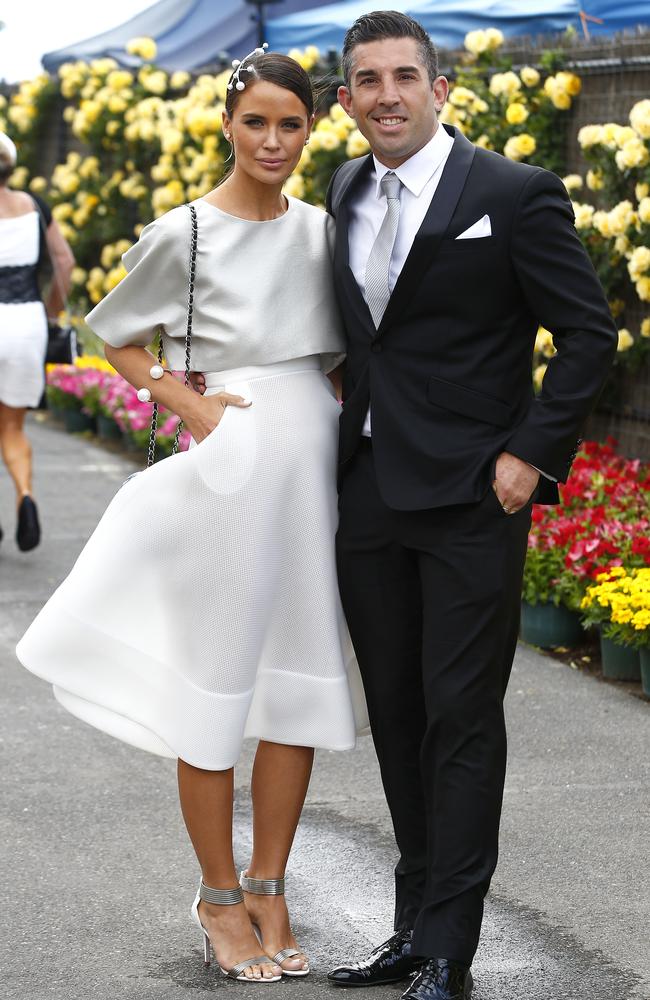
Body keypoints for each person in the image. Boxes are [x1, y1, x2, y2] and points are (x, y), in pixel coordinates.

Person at [16, 51, 366, 983]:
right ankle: (218, 900)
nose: (274, 141)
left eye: (291, 124)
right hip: (227, 473)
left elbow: (339, 355)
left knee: (297, 690)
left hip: (310, 476)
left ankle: (269, 886)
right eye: (257, 122)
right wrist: (198, 410)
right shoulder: (187, 233)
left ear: (311, 129)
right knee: (213, 691)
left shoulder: (324, 231)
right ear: (227, 123)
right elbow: (113, 334)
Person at [321, 12, 618, 1000]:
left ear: (440, 88)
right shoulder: (346, 189)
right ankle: (411, 926)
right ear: (345, 101)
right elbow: (371, 337)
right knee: (397, 715)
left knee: (459, 717)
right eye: (366, 80)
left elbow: (585, 335)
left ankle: (450, 946)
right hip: (367, 495)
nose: (386, 94)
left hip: (469, 498)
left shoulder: (510, 192)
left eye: (404, 75)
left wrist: (529, 455)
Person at [0, 131, 74, 551]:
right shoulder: (33, 206)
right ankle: (25, 496)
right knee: (12, 427)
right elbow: (63, 261)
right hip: (26, 322)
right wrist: (49, 313)